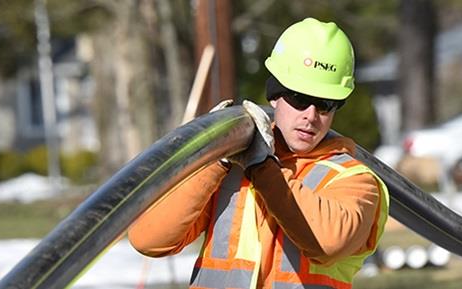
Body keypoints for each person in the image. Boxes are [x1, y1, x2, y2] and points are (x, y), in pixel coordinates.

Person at [129, 18, 388, 288]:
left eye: (325, 104)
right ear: (274, 94)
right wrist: (211, 161)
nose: (310, 116)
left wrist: (263, 168)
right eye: (299, 99)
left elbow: (328, 242)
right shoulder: (228, 168)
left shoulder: (356, 181)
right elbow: (148, 239)